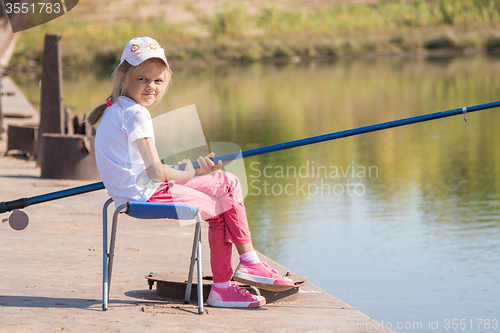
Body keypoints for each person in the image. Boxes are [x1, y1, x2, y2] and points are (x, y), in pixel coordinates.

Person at [87, 37, 293, 308]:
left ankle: (249, 262)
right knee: (220, 208)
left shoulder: (116, 109)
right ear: (124, 78)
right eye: (143, 80)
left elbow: (145, 167)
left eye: (158, 81)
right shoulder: (136, 114)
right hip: (146, 197)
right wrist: (189, 173)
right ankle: (223, 287)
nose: (151, 87)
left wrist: (187, 170)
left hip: (137, 192)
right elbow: (156, 172)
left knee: (227, 182)